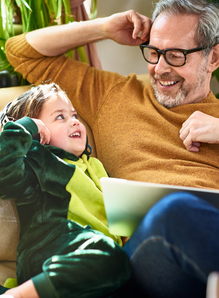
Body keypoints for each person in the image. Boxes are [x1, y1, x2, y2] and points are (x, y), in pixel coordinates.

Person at [5, 0, 219, 297]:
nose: (160, 68)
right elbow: (21, 52)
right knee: (175, 210)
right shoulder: (113, 94)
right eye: (154, 52)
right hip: (141, 263)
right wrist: (102, 28)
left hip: (206, 264)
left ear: (213, 57)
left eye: (176, 56)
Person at [0, 83, 132, 298]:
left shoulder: (95, 166)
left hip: (98, 258)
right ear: (40, 133)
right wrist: (26, 127)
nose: (74, 121)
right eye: (60, 117)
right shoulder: (38, 159)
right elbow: (4, 173)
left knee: (121, 266)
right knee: (107, 256)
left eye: (74, 115)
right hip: (51, 251)